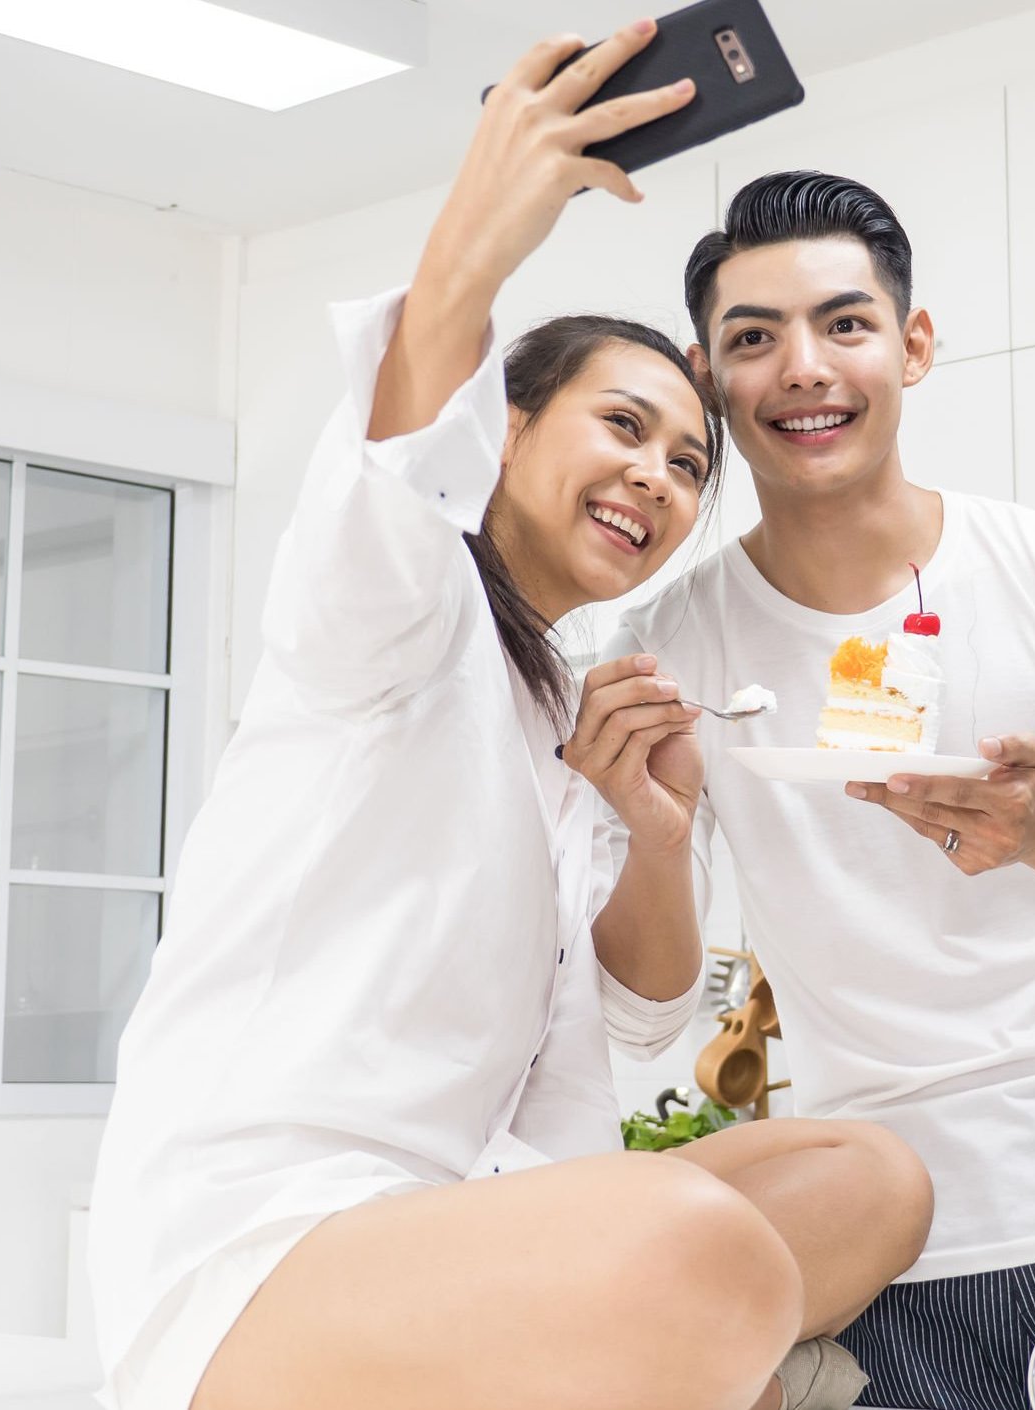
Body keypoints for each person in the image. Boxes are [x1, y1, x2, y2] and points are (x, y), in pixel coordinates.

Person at [87, 34, 930, 1410]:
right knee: (694, 1245)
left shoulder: (571, 699)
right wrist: (491, 213)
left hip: (488, 1219)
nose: (654, 476)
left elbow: (648, 1011)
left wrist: (652, 830)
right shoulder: (392, 615)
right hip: (269, 1248)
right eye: (623, 425)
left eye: (686, 462)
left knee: (867, 1177)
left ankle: (697, 1359)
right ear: (511, 426)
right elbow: (410, 414)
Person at [599, 170, 1035, 1409]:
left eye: (845, 324)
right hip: (881, 1264)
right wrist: (653, 841)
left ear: (912, 346)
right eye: (753, 340)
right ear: (712, 383)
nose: (803, 368)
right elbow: (642, 1018)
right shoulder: (670, 648)